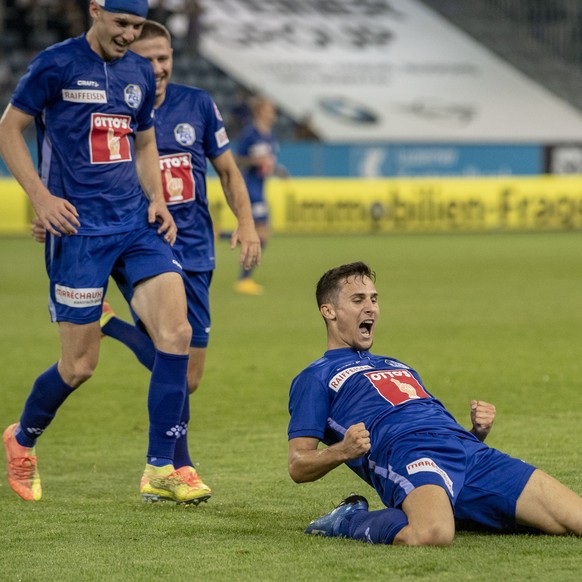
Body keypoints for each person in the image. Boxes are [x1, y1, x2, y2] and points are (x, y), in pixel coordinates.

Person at [29, 18, 262, 501]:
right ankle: (175, 465)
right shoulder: (105, 89)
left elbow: (227, 170)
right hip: (140, 240)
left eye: (164, 59)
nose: (157, 68)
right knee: (167, 347)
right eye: (149, 58)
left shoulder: (197, 104)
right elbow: (81, 160)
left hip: (194, 249)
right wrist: (46, 203)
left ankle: (111, 326)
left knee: (186, 374)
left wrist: (245, 222)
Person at [0, 0, 203, 505]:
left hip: (135, 225)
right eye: (121, 23)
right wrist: (42, 200)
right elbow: (9, 129)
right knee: (79, 367)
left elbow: (145, 142)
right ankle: (21, 439)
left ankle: (161, 468)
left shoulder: (137, 69)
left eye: (137, 26)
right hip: (78, 233)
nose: (129, 35)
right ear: (95, 11)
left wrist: (157, 198)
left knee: (176, 333)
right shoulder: (55, 64)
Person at [287, 262, 582, 545]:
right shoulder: (316, 377)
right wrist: (343, 450)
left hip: (469, 452)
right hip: (408, 452)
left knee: (572, 520)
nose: (370, 308)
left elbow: (432, 422)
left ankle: (453, 506)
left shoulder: (396, 365)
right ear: (329, 311)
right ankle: (347, 520)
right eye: (358, 299)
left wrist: (475, 432)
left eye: (374, 299)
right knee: (432, 534)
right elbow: (298, 465)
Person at [233, 96, 287, 296]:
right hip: (250, 189)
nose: (273, 113)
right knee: (261, 233)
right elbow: (236, 160)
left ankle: (220, 235)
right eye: (270, 109)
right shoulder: (250, 134)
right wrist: (253, 161)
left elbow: (268, 162)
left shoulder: (269, 135)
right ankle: (243, 279)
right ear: (260, 111)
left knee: (260, 234)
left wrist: (279, 170)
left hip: (260, 188)